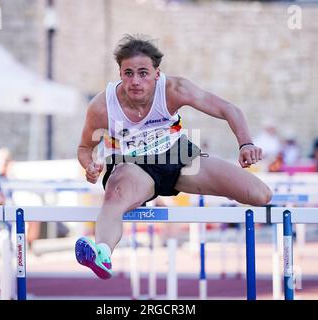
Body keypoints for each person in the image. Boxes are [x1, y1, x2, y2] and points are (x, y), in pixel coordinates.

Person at [75, 34, 272, 280]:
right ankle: (102, 253)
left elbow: (228, 109)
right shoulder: (102, 106)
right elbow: (85, 148)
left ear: (157, 73)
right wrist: (90, 166)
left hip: (177, 155)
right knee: (114, 196)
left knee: (260, 195)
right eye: (128, 73)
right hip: (134, 165)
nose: (135, 81)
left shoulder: (174, 89)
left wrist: (245, 144)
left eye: (143, 73)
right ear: (120, 73)